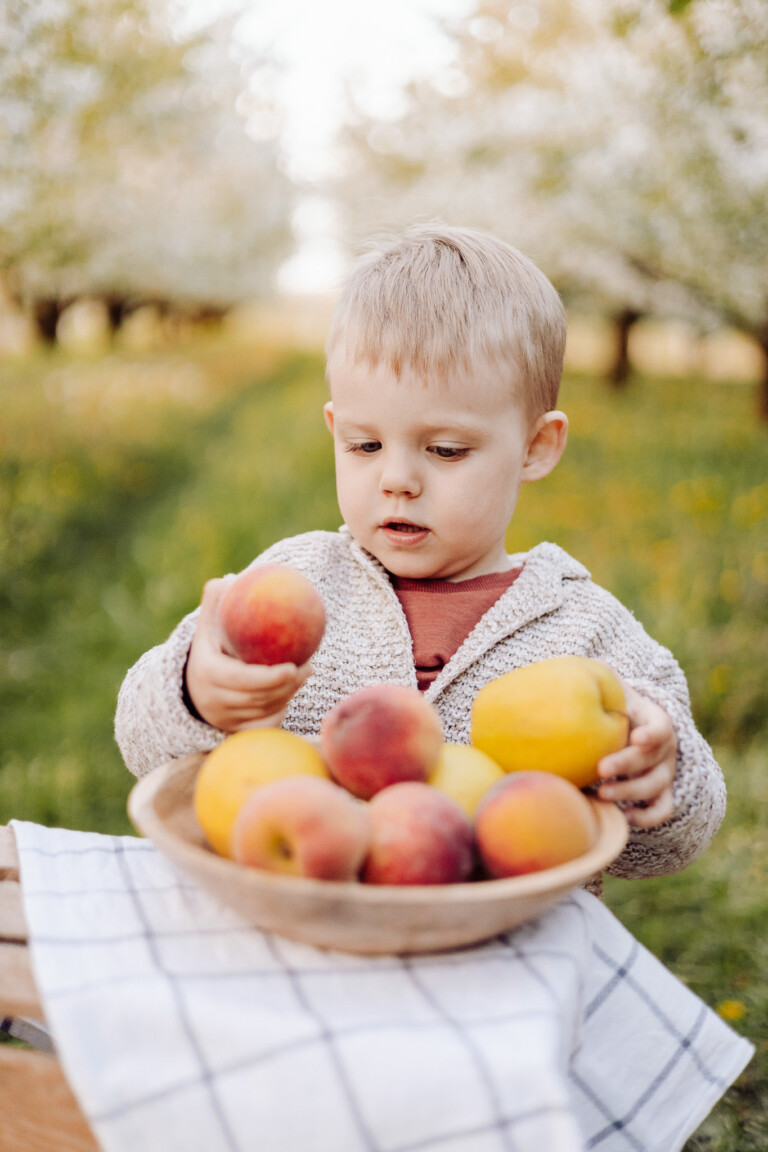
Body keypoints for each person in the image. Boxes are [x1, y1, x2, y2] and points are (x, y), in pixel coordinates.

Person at [115, 223, 725, 884]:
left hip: (502, 959)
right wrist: (198, 694)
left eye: (445, 450)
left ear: (536, 446)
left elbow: (672, 845)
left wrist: (655, 770)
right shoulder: (294, 582)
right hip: (307, 929)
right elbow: (142, 742)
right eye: (365, 445)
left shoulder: (583, 627)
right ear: (333, 431)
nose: (396, 479)